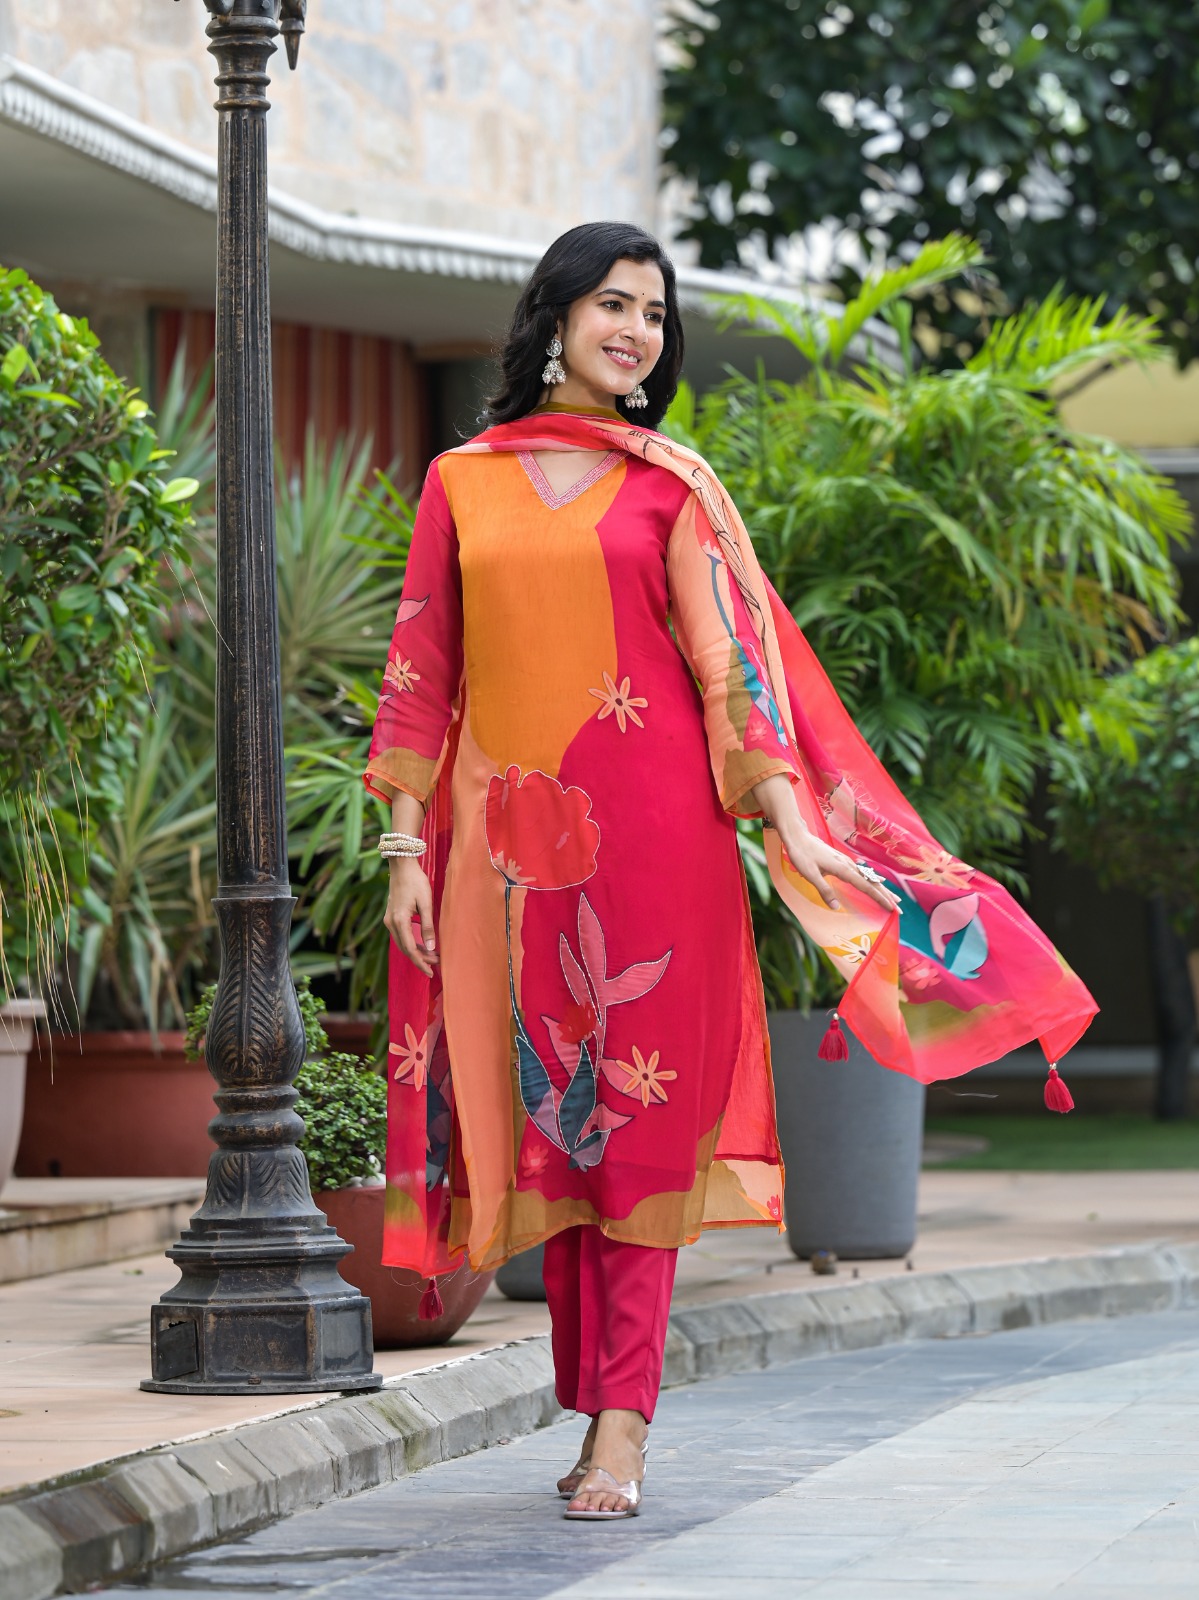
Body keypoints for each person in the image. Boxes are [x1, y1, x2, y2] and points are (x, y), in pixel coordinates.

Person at [364, 221, 1096, 1521]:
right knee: (551, 1126)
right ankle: (595, 1400)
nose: (636, 331)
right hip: (508, 862)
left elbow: (729, 672)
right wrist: (403, 850)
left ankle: (624, 1428)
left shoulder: (672, 485)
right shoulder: (461, 483)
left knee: (634, 1130)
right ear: (554, 319)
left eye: (654, 313)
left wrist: (788, 818)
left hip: (659, 849)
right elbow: (422, 668)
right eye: (613, 304)